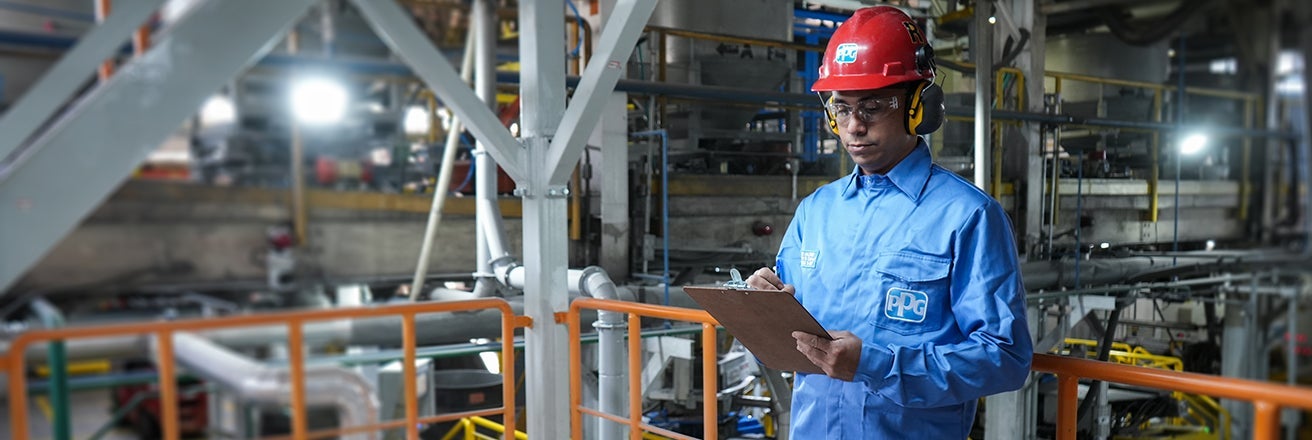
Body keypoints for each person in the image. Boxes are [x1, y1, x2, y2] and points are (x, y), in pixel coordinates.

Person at [744, 6, 1033, 439]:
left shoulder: (968, 217)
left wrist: (876, 365)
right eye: (841, 109)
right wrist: (761, 305)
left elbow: (1006, 358)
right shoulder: (816, 211)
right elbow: (787, 332)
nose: (853, 128)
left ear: (919, 106)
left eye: (873, 106)